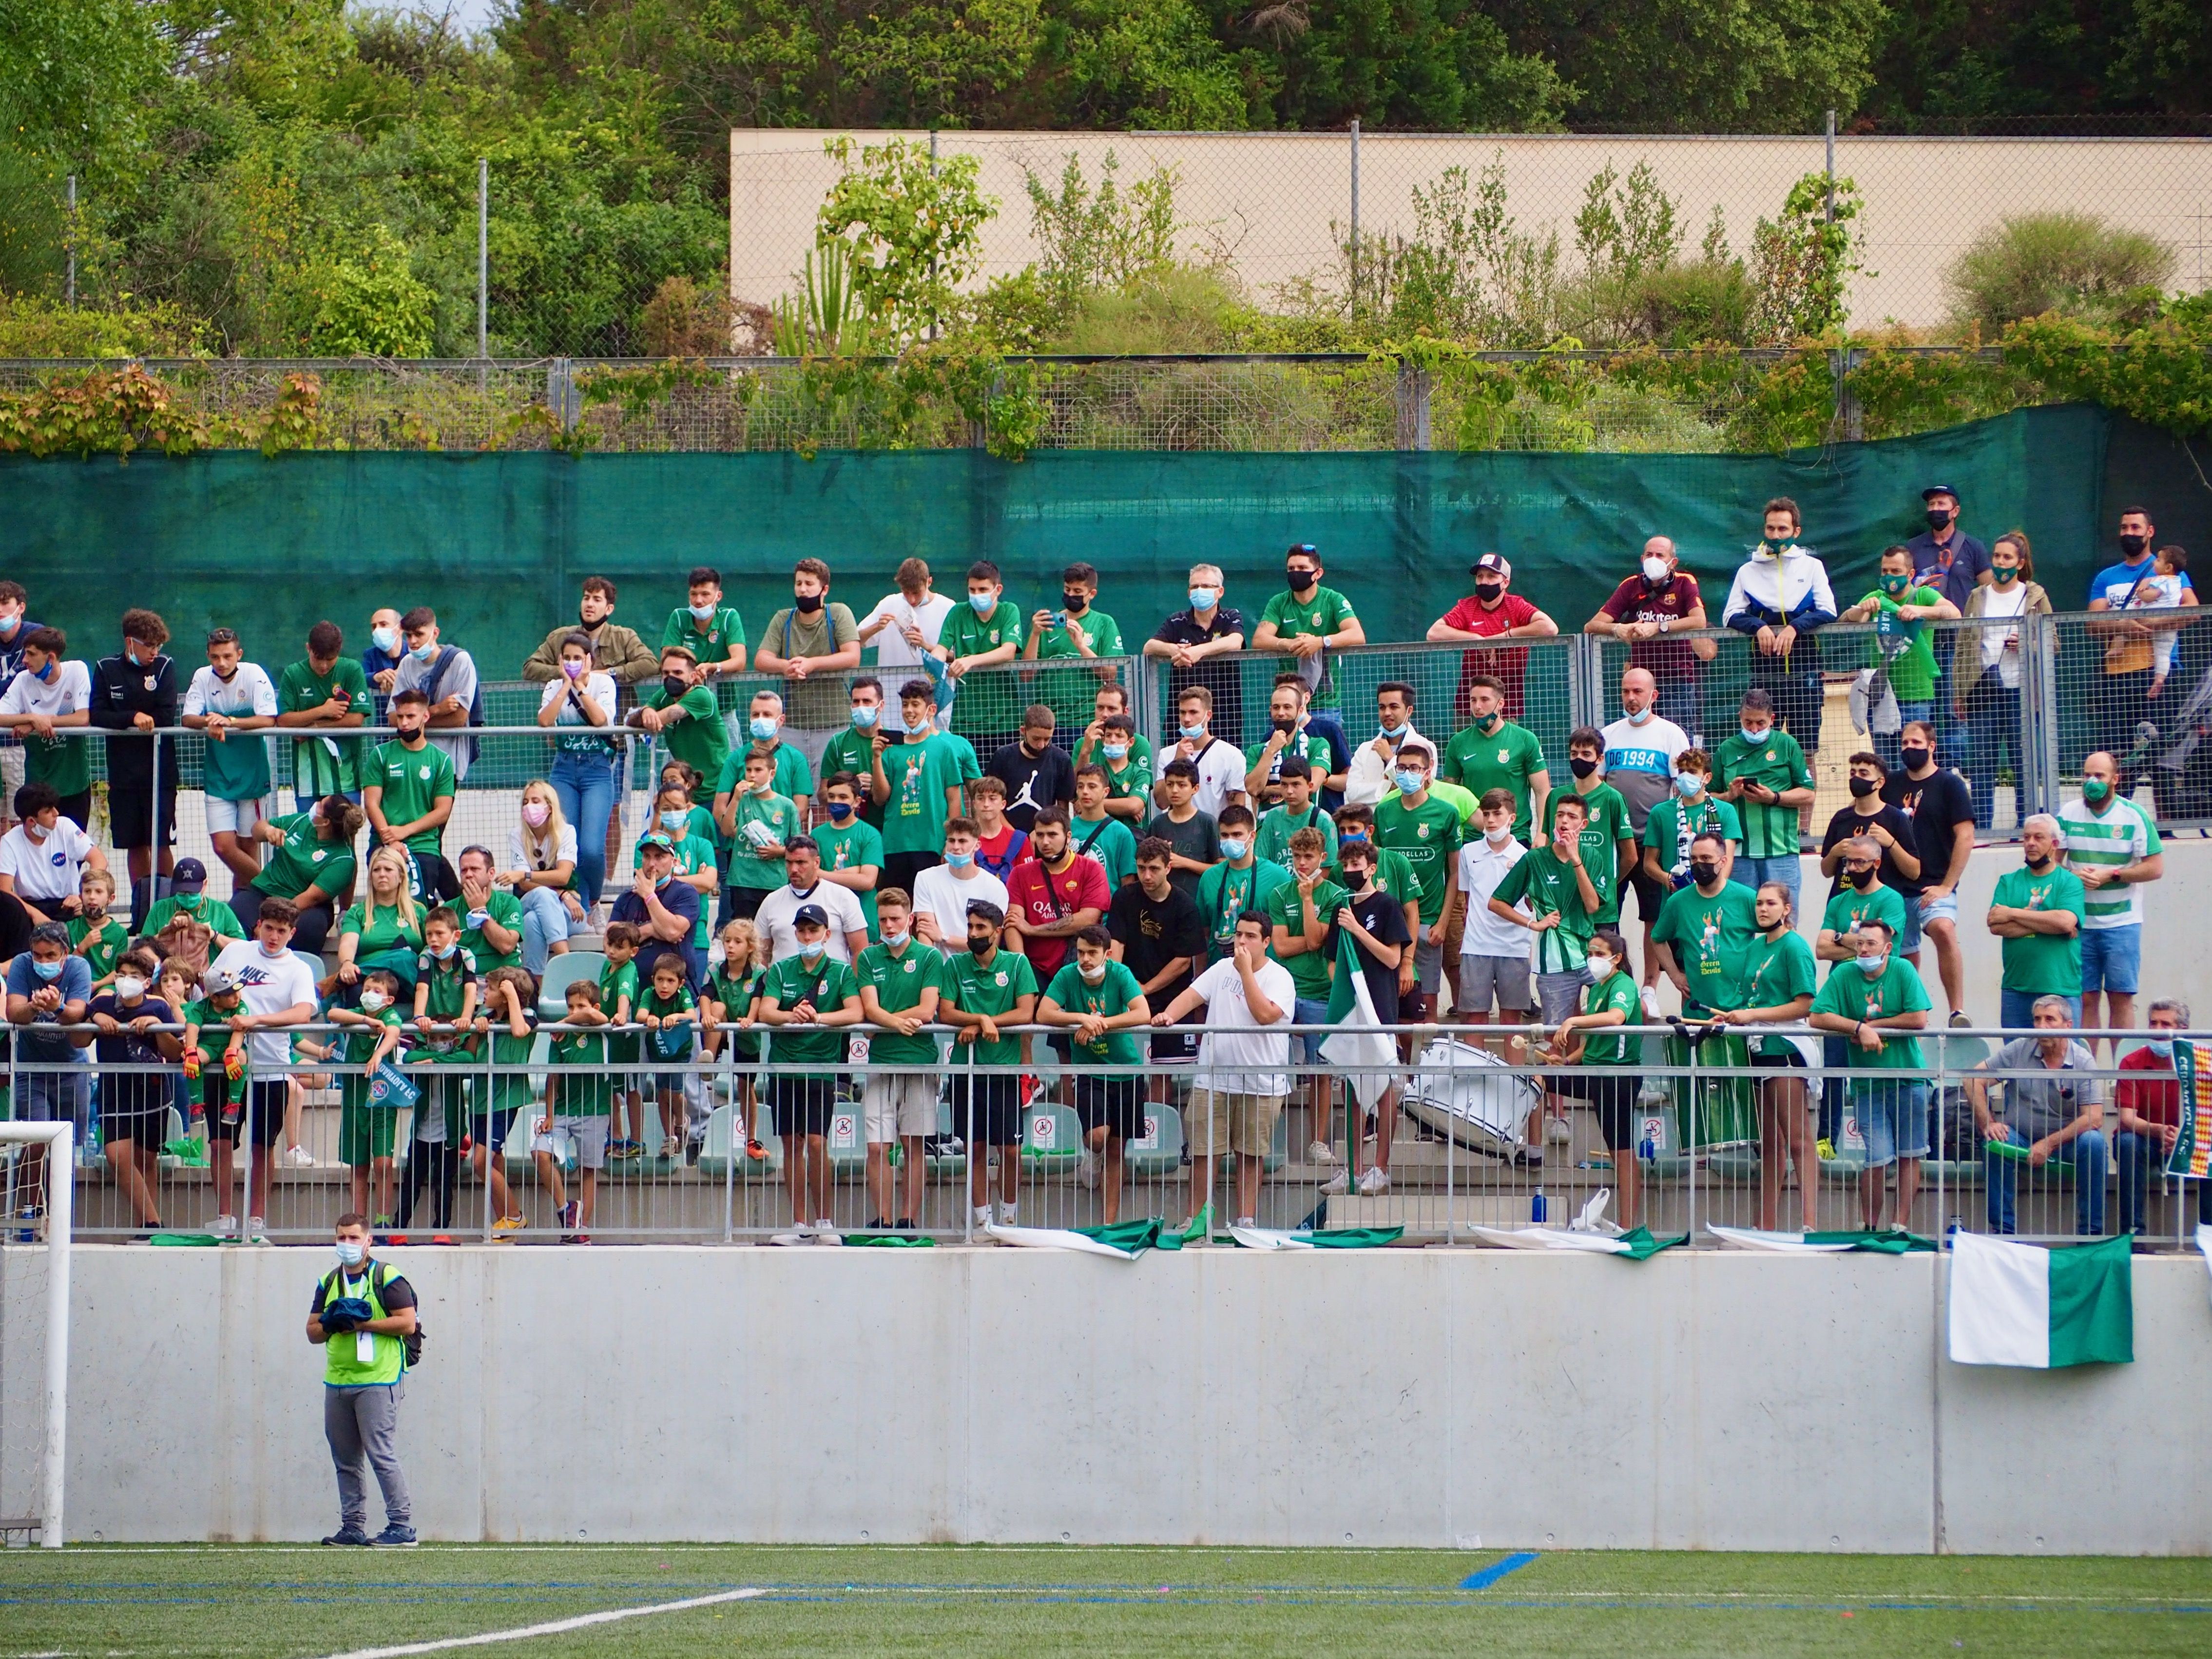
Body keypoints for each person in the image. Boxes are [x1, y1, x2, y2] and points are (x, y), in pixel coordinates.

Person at [1151, 912, 1293, 1234]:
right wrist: (1168, 1016)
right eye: (1238, 934)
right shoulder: (1219, 969)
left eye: (1250, 936)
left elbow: (1264, 1015)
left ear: (1266, 942)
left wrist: (1245, 974)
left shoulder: (1280, 977)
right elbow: (1191, 996)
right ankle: (1196, 1220)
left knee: (1250, 1154)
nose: (1241, 942)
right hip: (1212, 1079)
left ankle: (1246, 1221)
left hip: (1262, 1084)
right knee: (1203, 1154)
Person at [205, 900, 321, 1242]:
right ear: (258, 925)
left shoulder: (298, 968)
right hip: (225, 1067)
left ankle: (256, 1220)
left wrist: (255, 1022)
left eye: (282, 931)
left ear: (292, 933)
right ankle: (225, 1218)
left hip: (270, 1071)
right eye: (269, 928)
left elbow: (303, 1012)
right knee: (220, 1142)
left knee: (262, 1146)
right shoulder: (236, 952)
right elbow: (210, 991)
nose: (274, 936)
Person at [1808, 918, 1931, 1232]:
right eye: (1859, 943)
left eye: (1871, 944)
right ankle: (1870, 1226)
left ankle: (1899, 1225)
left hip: (1909, 1077)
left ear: (1887, 948)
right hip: (1867, 1082)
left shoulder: (1903, 970)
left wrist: (1871, 1028)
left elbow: (1919, 1018)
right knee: (1876, 1157)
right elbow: (1817, 1016)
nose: (1863, 949)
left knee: (1910, 1154)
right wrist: (1857, 1028)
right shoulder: (1845, 973)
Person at [308, 1213, 419, 1547]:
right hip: (338, 1381)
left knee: (380, 1454)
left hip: (379, 1379)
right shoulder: (329, 1281)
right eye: (341, 1237)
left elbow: (407, 1323)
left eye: (354, 1238)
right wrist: (332, 1322)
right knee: (345, 1459)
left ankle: (402, 1527)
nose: (347, 1244)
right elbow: (312, 1332)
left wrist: (362, 1324)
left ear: (368, 1241)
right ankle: (352, 1527)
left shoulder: (388, 1277)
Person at [1716, 882, 1820, 1233]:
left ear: (1786, 909)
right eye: (1759, 903)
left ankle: (1809, 1223)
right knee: (1769, 1142)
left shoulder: (1795, 947)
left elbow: (1806, 1003)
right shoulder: (1755, 945)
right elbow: (1750, 999)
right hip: (1756, 1047)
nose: (1763, 909)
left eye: (1770, 903)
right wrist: (1735, 1015)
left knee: (1797, 1139)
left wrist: (1754, 1016)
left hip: (1785, 1048)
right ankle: (1765, 1224)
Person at [1039, 924, 1152, 1226]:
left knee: (1118, 1149)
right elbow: (1044, 1013)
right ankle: (1092, 1154)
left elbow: (1143, 1013)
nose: (1085, 959)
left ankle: (1108, 1224)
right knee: (1098, 1137)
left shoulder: (1120, 974)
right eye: (1081, 952)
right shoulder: (1067, 975)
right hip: (1090, 1072)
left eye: (1092, 953)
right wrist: (1081, 1019)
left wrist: (1102, 1024)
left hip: (1126, 1070)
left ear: (1107, 954)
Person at [1966, 996, 2108, 1237]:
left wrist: (2049, 1144)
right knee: (1995, 1143)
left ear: (2068, 1026)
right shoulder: (2019, 1048)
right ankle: (2004, 1233)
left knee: (2094, 1143)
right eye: (2038, 1019)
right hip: (2020, 1137)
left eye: (2050, 1019)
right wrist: (1988, 1122)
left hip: (2065, 1144)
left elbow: (2094, 1118)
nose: (2042, 1026)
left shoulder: (2083, 1060)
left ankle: (2091, 1234)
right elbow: (1972, 1079)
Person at [1321, 836, 1413, 1194]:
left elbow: (1392, 959)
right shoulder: (1340, 906)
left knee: (1384, 1087)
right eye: (1344, 867)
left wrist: (1358, 930)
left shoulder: (1387, 905)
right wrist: (1345, 991)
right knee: (1353, 1088)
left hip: (1381, 1008)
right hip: (1351, 1012)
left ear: (1371, 869)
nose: (1349, 873)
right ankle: (1353, 1168)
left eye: (1355, 867)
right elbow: (1333, 962)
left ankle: (1380, 1167)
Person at [1540, 929, 1649, 1228]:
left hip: (1618, 1076)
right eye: (1590, 953)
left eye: (1599, 954)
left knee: (1622, 1151)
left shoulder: (1622, 984)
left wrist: (1573, 1020)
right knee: (1538, 1076)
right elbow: (1591, 1044)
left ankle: (1628, 1227)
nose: (1593, 959)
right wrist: (1566, 1061)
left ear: (1617, 958)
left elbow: (1616, 1018)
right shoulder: (1599, 987)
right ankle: (1523, 1144)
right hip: (1595, 1072)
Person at [940, 899, 1038, 1231]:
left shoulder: (1016, 965)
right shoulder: (954, 966)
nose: (973, 933)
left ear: (997, 932)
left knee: (1011, 1150)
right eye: (970, 926)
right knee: (976, 1149)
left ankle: (1009, 1218)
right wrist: (981, 1019)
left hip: (1005, 1072)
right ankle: (983, 1224)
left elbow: (1025, 1012)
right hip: (968, 1073)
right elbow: (946, 1013)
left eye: (980, 927)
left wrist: (985, 1023)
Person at [2058, 748, 2163, 1048]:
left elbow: (2155, 868)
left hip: (2123, 923)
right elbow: (2054, 864)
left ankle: (2121, 1077)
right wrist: (2072, 877)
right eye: (2087, 775)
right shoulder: (2068, 814)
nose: (2092, 782)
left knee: (2121, 998)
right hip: (2080, 923)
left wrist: (2112, 874)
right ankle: (2089, 1076)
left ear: (2116, 779)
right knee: (2085, 997)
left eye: (2099, 776)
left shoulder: (2133, 814)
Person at [854, 888, 944, 1232]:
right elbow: (869, 1010)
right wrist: (892, 1023)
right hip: (880, 1064)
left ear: (909, 919)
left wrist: (882, 1024)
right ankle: (884, 1220)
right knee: (877, 1147)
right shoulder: (868, 958)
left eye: (895, 919)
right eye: (883, 920)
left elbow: (926, 1009)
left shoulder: (928, 957)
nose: (889, 927)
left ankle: (908, 1220)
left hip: (920, 1061)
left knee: (914, 1145)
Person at [2085, 506, 2191, 794]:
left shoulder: (2171, 575)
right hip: (2117, 676)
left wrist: (2150, 623)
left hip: (2159, 673)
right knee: (2116, 753)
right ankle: (2116, 816)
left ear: (2150, 532)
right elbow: (2092, 624)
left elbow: (2193, 611)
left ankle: (2167, 823)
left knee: (2162, 751)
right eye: (2124, 528)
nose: (2129, 533)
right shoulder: (2106, 577)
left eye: (2135, 527)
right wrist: (2123, 626)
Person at [1722, 499, 1836, 765]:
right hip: (1765, 675)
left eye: (1783, 529)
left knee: (1804, 755)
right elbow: (1730, 614)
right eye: (1771, 529)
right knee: (1760, 751)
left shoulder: (1812, 567)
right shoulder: (1748, 570)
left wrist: (1795, 628)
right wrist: (1759, 626)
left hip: (1805, 674)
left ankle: (1803, 808)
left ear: (1796, 531)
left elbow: (1828, 610)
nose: (1776, 535)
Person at [1601, 667, 1693, 987]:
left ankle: (1649, 989)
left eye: (1637, 691)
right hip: (1613, 846)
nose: (1630, 697)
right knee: (1606, 918)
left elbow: (1682, 788)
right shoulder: (1608, 734)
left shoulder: (1670, 734)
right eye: (1626, 691)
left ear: (1653, 695)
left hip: (1653, 845)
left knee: (1653, 920)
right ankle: (1612, 984)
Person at [88, 609, 180, 923]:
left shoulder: (166, 667)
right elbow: (98, 714)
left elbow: (166, 716)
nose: (155, 653)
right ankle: (143, 912)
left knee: (161, 839)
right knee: (135, 841)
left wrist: (136, 715)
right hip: (123, 773)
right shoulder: (105, 668)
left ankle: (169, 910)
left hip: (160, 770)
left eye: (159, 646)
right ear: (130, 642)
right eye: (149, 646)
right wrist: (131, 717)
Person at [1953, 531, 2049, 829]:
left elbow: (2053, 641)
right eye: (1997, 556)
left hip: (2021, 688)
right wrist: (1960, 692)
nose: (2000, 562)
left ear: (2020, 563)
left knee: (2024, 762)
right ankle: (1981, 827)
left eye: (2007, 557)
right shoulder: (1978, 596)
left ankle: (2027, 825)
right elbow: (1965, 645)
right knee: (1982, 762)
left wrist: (2027, 642)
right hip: (1984, 687)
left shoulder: (2035, 594)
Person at [80, 947, 181, 1231]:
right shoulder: (101, 1002)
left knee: (146, 1158)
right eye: (122, 975)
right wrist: (94, 1019)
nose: (126, 980)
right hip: (114, 1090)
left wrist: (158, 1027)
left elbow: (175, 1054)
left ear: (148, 982)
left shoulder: (159, 1007)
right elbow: (78, 1040)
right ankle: (154, 1222)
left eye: (134, 976)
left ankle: (144, 1227)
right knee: (117, 1156)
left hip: (151, 1089)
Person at [1839, 545, 1962, 771]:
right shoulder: (1877, 597)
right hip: (1881, 697)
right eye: (1885, 572)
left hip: (1916, 698)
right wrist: (1861, 610)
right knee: (1885, 768)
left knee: (1915, 767)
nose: (1889, 577)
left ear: (1910, 574)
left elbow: (1953, 613)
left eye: (1896, 571)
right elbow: (1847, 619)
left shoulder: (1923, 595)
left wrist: (1919, 612)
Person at [179, 626, 281, 892]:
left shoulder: (254, 674)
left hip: (252, 775)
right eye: (215, 657)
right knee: (224, 846)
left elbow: (268, 718)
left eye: (227, 656)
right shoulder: (202, 676)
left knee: (248, 846)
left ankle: (246, 909)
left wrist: (231, 721)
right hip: (218, 776)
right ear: (208, 656)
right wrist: (209, 720)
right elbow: (188, 718)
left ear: (239, 654)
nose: (221, 663)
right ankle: (277, 889)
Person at [1486, 791, 1599, 1027]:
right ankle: (1562, 1065)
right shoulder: (1534, 859)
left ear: (1584, 824)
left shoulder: (1592, 856)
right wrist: (1532, 923)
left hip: (1590, 954)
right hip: (1553, 960)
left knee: (1617, 1013)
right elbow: (1496, 902)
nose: (1565, 822)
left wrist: (1575, 859)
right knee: (1557, 1031)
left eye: (1572, 817)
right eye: (1560, 815)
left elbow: (1592, 906)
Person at [1266, 826, 1346, 1159]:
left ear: (1322, 858)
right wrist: (1310, 940)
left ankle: (1318, 1141)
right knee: (1271, 1065)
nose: (1301, 863)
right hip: (1282, 988)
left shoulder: (1334, 894)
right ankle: (1269, 1137)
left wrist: (1308, 899)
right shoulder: (1278, 894)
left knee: (1320, 1069)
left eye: (1308, 856)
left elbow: (1316, 941)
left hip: (1319, 991)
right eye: (1297, 856)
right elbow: (1281, 947)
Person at [1584, 536, 1714, 733]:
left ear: (1673, 562)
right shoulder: (1631, 585)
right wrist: (1618, 629)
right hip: (1641, 681)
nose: (1654, 559)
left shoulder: (1684, 582)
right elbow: (1592, 626)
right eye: (1649, 555)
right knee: (1641, 734)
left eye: (1660, 555)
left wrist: (1658, 627)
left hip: (1677, 679)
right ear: (1642, 559)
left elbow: (1698, 620)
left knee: (1676, 738)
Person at [5, 921, 91, 1218]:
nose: (42, 961)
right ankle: (31, 1210)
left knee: (66, 1148)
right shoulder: (21, 964)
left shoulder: (79, 968)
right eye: (37, 955)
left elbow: (78, 1013)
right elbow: (13, 1012)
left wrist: (56, 1007)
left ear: (64, 953)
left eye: (49, 955)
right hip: (31, 1070)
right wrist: (34, 1006)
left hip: (72, 1068)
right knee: (35, 1142)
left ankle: (60, 1216)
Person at [1373, 740, 1461, 1026]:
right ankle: (1398, 1069)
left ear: (1428, 772)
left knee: (1427, 1007)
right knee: (1391, 1005)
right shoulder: (1384, 811)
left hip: (1429, 920)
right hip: (1389, 921)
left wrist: (1444, 921)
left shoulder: (1447, 813)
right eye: (1402, 768)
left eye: (1414, 768)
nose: (1407, 773)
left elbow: (1455, 873)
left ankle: (1426, 1069)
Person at [1904, 484, 1992, 765]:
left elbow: (1988, 592)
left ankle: (1955, 770)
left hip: (1961, 645)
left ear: (1956, 511)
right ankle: (1922, 769)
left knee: (1955, 712)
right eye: (1931, 505)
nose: (1935, 510)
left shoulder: (1973, 547)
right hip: (1923, 643)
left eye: (1941, 504)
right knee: (1922, 713)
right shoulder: (1914, 548)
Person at [534, 631, 622, 910]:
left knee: (591, 847)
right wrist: (565, 686)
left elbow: (600, 720)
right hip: (564, 768)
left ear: (589, 660)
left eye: (578, 658)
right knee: (566, 841)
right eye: (567, 658)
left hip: (596, 769)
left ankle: (594, 899)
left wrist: (582, 687)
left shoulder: (604, 683)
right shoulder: (553, 685)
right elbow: (545, 720)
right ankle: (580, 904)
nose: (572, 663)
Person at [1110, 836, 1207, 1086]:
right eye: (1141, 868)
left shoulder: (1185, 905)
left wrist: (1145, 989)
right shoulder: (1124, 898)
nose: (1146, 876)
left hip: (1170, 999)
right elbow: (1116, 944)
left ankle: (1157, 1125)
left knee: (1161, 1074)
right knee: (1125, 1071)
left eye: (1153, 869)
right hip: (1129, 995)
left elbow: (1184, 962)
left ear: (1168, 868)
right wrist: (1121, 986)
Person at [752, 558, 862, 770]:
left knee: (827, 791)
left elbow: (852, 656)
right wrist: (786, 667)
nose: (802, 589)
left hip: (833, 723)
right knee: (794, 791)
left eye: (809, 584)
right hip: (791, 723)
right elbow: (761, 659)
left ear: (825, 589)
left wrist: (812, 664)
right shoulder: (783, 618)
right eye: (798, 583)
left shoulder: (838, 613)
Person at [1427, 551, 1558, 724]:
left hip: (1507, 703)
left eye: (1491, 576)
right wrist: (1477, 640)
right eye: (1480, 577)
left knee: (1505, 750)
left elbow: (1550, 628)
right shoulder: (1467, 606)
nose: (1484, 582)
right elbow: (1433, 633)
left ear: (1506, 582)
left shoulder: (1516, 605)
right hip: (1469, 705)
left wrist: (1504, 637)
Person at [2115, 998, 2207, 1240]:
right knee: (2127, 1143)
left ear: (2183, 1030)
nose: (2156, 1031)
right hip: (2148, 1141)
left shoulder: (2201, 1063)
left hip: (2192, 1140)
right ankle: (2133, 1233)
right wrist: (2160, 1131)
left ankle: (2209, 1231)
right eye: (2152, 1023)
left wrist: (2185, 1136)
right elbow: (2126, 1119)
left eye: (2165, 1024)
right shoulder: (2132, 1062)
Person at [1714, 689, 1812, 914]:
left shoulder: (1787, 745)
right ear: (1740, 717)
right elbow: (1708, 798)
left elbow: (1808, 794)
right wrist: (1729, 796)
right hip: (1738, 856)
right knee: (1739, 927)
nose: (1754, 729)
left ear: (1772, 719)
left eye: (1761, 722)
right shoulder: (1726, 750)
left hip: (1782, 854)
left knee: (1784, 924)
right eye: (1748, 722)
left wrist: (1774, 798)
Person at [872, 677, 973, 896]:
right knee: (898, 904)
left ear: (931, 709)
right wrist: (877, 758)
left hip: (931, 842)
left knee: (931, 904)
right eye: (905, 704)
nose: (909, 710)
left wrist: (951, 840)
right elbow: (880, 798)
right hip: (896, 843)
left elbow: (954, 797)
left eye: (915, 704)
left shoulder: (944, 748)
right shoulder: (891, 750)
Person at [1987, 814, 2087, 1029]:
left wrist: (2013, 913)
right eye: (2027, 837)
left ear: (2054, 844)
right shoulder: (2009, 881)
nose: (2030, 843)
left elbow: (2065, 923)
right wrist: (2049, 923)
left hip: (2060, 987)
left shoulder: (2070, 882)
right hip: (2016, 989)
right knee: (2017, 1059)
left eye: (2038, 838)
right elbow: (1996, 924)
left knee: (2064, 1059)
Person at [1251, 544, 1364, 731]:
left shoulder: (1333, 599)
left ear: (1318, 573)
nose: (1296, 573)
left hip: (1325, 703)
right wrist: (1287, 644)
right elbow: (1260, 639)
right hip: (1287, 704)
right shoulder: (1279, 602)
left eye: (1302, 568)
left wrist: (1320, 642)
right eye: (1291, 569)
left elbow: (1357, 634)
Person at [237, 795, 365, 957]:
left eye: (320, 805)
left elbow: (310, 898)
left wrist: (272, 922)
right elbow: (257, 830)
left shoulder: (343, 860)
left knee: (310, 927)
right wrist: (268, 831)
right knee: (236, 912)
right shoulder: (301, 821)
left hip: (303, 905)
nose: (315, 805)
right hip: (264, 890)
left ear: (326, 822)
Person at [363, 689, 459, 904]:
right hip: (384, 842)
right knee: (384, 905)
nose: (404, 723)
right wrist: (392, 839)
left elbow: (442, 812)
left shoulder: (441, 760)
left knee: (419, 908)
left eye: (410, 717)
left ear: (425, 717)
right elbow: (371, 803)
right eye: (400, 717)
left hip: (423, 845)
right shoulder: (380, 754)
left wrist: (405, 831)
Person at [1651, 834, 1758, 1022]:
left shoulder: (1747, 898)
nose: (1699, 864)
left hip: (1742, 1011)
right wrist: (1675, 975)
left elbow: (1775, 936)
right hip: (1698, 1013)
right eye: (1694, 859)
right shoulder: (1678, 902)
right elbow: (1657, 938)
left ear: (1723, 861)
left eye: (1706, 859)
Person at [1541, 727, 1636, 937]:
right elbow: (1549, 848)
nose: (1579, 760)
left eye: (1586, 754)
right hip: (1564, 904)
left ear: (1600, 758)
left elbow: (1630, 856)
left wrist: (1609, 884)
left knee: (1603, 965)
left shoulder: (1612, 798)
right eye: (1574, 754)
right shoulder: (1556, 796)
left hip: (1601, 910)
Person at [539, 978, 614, 1240]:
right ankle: (566, 1210)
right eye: (570, 1007)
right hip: (562, 1111)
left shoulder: (602, 1027)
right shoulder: (560, 1037)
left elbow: (594, 1015)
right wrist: (549, 1114)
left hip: (594, 1110)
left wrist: (563, 1022)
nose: (574, 1012)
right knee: (540, 1152)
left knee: (589, 1170)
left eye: (579, 1006)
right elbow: (553, 1077)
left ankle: (580, 1230)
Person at [1004, 807, 1113, 984]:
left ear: (1068, 837)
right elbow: (1013, 923)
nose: (1045, 842)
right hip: (1034, 967)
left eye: (1052, 835)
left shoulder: (1091, 870)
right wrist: (1022, 970)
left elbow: (1088, 919)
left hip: (1079, 966)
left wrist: (1033, 930)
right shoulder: (1020, 874)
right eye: (1040, 835)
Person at [1455, 789, 1536, 1029]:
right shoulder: (1468, 852)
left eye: (1497, 814)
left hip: (1514, 948)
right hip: (1476, 947)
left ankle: (1514, 1070)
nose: (1490, 820)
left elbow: (1531, 903)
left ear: (1512, 818)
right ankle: (1476, 1069)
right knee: (1476, 1020)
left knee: (1511, 1021)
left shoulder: (1526, 857)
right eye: (1486, 814)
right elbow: (1468, 898)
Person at [1440, 674, 1549, 846]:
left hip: (1516, 835)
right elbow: (1450, 793)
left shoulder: (1525, 740)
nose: (1478, 706)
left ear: (1501, 704)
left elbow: (1543, 791)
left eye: (1485, 700)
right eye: (1473, 700)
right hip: (1473, 837)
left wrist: (1542, 834)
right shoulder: (1458, 743)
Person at [0, 626, 92, 829]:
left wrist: (43, 721)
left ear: (51, 657)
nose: (24, 660)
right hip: (38, 783)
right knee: (38, 848)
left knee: (74, 852)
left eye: (31, 654)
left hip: (74, 782)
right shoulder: (23, 680)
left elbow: (83, 718)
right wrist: (32, 718)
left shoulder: (77, 670)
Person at [1022, 561, 1125, 739]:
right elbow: (1025, 676)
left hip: (1086, 719)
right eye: (1067, 590)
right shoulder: (1049, 624)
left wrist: (1082, 647)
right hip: (1049, 720)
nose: (1071, 595)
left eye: (1078, 592)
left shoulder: (1104, 623)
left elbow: (1111, 674)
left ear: (1092, 594)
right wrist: (1035, 634)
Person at [930, 559, 1023, 755]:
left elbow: (1008, 651)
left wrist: (970, 660)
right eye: (972, 590)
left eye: (982, 590)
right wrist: (933, 663)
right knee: (969, 781)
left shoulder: (1009, 611)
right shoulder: (958, 612)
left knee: (1001, 783)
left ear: (998, 590)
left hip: (1004, 719)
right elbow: (941, 648)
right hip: (965, 718)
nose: (976, 595)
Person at [1145, 564, 1247, 743]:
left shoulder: (1230, 616)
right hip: (1184, 718)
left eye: (1206, 586)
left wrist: (1197, 651)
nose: (1200, 591)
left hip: (1225, 716)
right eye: (1195, 587)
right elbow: (1149, 647)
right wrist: (1174, 649)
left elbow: (1235, 641)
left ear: (1220, 591)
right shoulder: (1177, 621)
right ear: (1189, 592)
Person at [276, 622, 374, 806]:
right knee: (311, 833)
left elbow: (356, 719)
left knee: (344, 833)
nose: (323, 666)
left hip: (347, 779)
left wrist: (312, 727)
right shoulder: (293, 673)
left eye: (330, 659)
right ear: (308, 648)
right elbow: (283, 720)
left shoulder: (352, 670)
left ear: (340, 650)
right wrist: (324, 710)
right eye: (318, 658)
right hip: (307, 780)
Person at [522, 575, 659, 693]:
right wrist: (568, 672)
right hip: (570, 717)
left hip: (616, 719)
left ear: (609, 609)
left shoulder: (624, 637)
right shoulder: (560, 637)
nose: (589, 604)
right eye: (586, 598)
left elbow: (651, 664)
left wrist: (608, 673)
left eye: (597, 600)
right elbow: (530, 668)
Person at [633, 645, 730, 809]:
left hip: (716, 792)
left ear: (692, 677)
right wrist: (647, 710)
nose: (670, 678)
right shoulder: (665, 695)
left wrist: (648, 713)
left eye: (678, 673)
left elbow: (659, 719)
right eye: (666, 673)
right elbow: (636, 719)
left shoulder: (702, 696)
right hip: (686, 792)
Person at [391, 607, 481, 784]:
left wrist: (413, 721)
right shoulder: (406, 664)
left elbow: (459, 719)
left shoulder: (460, 661)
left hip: (447, 762)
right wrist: (438, 710)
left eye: (419, 634)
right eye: (408, 636)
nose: (413, 641)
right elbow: (394, 718)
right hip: (409, 760)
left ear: (435, 633)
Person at [0, 781, 105, 926]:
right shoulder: (9, 841)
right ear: (32, 821)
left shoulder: (64, 826)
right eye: (49, 811)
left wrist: (83, 894)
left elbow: (99, 860)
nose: (56, 813)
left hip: (69, 904)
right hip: (30, 908)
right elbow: (4, 891)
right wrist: (35, 914)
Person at [753, 834, 868, 966]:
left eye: (801, 863)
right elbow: (759, 954)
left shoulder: (844, 897)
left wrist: (852, 986)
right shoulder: (771, 901)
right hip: (784, 985)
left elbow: (860, 952)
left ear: (817, 863)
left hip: (833, 984)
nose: (794, 869)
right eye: (789, 862)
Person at [609, 833, 705, 990]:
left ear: (674, 862)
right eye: (647, 856)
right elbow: (610, 941)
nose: (652, 863)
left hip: (676, 995)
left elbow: (672, 931)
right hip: (632, 991)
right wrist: (650, 930)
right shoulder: (627, 898)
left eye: (659, 857)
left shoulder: (685, 893)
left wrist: (648, 895)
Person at [716, 745, 801, 924]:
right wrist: (736, 799)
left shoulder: (787, 806)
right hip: (743, 881)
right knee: (745, 931)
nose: (752, 775)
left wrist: (779, 852)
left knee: (775, 929)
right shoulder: (741, 800)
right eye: (748, 770)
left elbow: (798, 847)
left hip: (774, 881)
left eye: (758, 770)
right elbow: (727, 830)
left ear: (772, 774)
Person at [857, 557, 954, 710]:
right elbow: (857, 641)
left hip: (933, 700)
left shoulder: (948, 608)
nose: (911, 599)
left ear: (929, 582)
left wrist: (926, 646)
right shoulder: (889, 604)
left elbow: (957, 656)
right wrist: (876, 627)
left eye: (916, 592)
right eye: (906, 592)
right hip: (892, 700)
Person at [501, 781, 577, 971]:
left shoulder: (567, 832)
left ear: (550, 807)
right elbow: (525, 886)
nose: (529, 807)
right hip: (533, 902)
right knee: (543, 896)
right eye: (525, 802)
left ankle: (537, 986)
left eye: (535, 801)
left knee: (532, 921)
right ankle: (566, 962)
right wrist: (562, 894)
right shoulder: (517, 835)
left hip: (570, 910)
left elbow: (563, 876)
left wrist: (525, 874)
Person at [1642, 748, 1740, 895]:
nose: (1685, 777)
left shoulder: (1725, 811)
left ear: (1707, 778)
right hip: (1675, 897)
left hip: (1715, 895)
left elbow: (1727, 859)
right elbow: (1649, 863)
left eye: (1693, 772)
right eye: (1682, 771)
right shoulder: (1661, 812)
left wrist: (1713, 890)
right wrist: (1668, 879)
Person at [717, 688, 816, 830]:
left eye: (767, 715)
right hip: (742, 843)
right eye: (756, 715)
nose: (761, 719)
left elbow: (801, 809)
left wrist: (775, 835)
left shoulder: (796, 758)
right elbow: (720, 808)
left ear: (781, 720)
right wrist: (742, 835)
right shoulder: (736, 758)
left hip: (781, 841)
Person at [336, 846, 425, 1001]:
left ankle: (337, 981)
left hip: (405, 981)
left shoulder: (418, 911)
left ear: (402, 877)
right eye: (376, 870)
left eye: (388, 870)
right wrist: (347, 963)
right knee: (357, 992)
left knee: (405, 957)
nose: (382, 875)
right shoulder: (358, 912)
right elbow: (348, 944)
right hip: (368, 982)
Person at [912, 818, 1009, 952]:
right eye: (951, 841)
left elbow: (990, 943)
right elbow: (925, 932)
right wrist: (932, 968)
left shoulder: (995, 888)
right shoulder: (925, 878)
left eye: (963, 841)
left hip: (976, 967)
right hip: (940, 966)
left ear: (977, 846)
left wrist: (944, 937)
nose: (956, 847)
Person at [659, 565, 748, 708]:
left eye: (705, 594)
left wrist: (712, 667)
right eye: (693, 594)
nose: (698, 600)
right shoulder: (679, 617)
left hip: (723, 708)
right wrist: (693, 674)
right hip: (683, 705)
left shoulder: (729, 617)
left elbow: (740, 661)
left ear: (718, 596)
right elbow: (668, 658)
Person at [1244, 677, 1332, 810]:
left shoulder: (1318, 745)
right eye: (1276, 708)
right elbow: (1253, 789)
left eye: (1287, 707)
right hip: (1269, 826)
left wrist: (1268, 791)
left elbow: (1311, 786)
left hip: (1306, 826)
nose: (1281, 713)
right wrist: (1271, 750)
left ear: (1300, 710)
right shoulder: (1257, 750)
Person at [1157, 685, 1245, 819]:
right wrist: (1177, 761)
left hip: (1215, 835)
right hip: (1177, 834)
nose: (1187, 719)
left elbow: (1237, 810)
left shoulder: (1231, 755)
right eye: (1182, 712)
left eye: (1193, 712)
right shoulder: (1167, 754)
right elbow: (1161, 803)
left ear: (1208, 715)